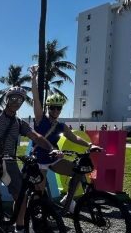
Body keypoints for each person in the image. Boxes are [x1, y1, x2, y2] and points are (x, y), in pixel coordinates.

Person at [0, 49, 54, 233]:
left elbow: (35, 136)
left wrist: (51, 148)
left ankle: (20, 229)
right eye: (13, 99)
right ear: (7, 99)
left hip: (8, 161)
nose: (16, 103)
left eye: (20, 100)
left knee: (21, 195)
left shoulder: (19, 123)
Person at [29, 65, 102, 206]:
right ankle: (37, 217)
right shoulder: (40, 118)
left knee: (78, 173)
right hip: (39, 159)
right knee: (39, 192)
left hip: (53, 158)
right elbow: (36, 98)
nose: (56, 110)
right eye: (53, 107)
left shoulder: (61, 126)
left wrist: (90, 144)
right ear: (48, 108)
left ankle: (67, 202)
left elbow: (75, 138)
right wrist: (33, 79)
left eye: (59, 108)